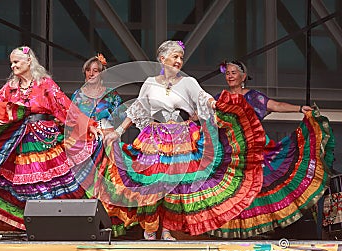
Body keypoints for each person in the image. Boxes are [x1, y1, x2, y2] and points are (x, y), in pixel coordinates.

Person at [101, 40, 267, 240]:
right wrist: (117, 132)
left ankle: (167, 229)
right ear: (162, 59)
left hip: (182, 139)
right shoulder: (150, 83)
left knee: (175, 187)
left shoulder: (188, 82)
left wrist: (217, 104)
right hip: (155, 139)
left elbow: (203, 98)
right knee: (152, 182)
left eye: (181, 57)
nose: (179, 60)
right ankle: (151, 227)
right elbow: (138, 109)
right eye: (175, 56)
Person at [0, 46, 101, 230]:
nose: (13, 66)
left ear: (29, 61)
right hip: (24, 142)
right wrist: (12, 110)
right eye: (11, 62)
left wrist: (90, 125)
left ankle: (60, 226)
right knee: (31, 185)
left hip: (47, 140)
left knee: (54, 183)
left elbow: (66, 107)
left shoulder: (45, 84)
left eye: (16, 61)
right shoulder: (11, 88)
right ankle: (39, 227)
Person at [209, 60, 335, 238]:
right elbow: (205, 114)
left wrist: (300, 108)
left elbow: (275, 105)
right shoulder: (218, 98)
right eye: (227, 73)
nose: (229, 76)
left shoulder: (254, 97)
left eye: (233, 72)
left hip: (255, 151)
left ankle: (262, 229)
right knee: (232, 191)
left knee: (258, 189)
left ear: (243, 77)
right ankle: (239, 231)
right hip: (230, 153)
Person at [69, 53, 130, 237]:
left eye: (96, 70)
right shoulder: (78, 95)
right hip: (85, 141)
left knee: (110, 181)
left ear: (102, 74)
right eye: (88, 70)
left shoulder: (111, 95)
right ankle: (86, 223)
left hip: (108, 140)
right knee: (86, 181)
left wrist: (113, 133)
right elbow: (71, 120)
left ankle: (111, 224)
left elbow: (123, 118)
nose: (91, 73)